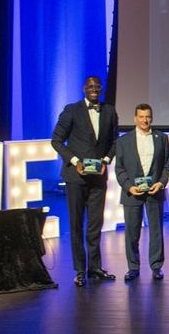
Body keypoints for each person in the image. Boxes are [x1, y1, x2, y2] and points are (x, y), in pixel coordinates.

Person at [51, 76, 119, 287]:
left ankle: (95, 267)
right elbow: (56, 140)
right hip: (76, 177)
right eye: (90, 86)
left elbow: (114, 141)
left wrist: (106, 160)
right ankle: (80, 270)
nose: (94, 89)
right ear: (84, 89)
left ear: (101, 89)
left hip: (98, 178)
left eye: (97, 87)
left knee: (95, 224)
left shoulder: (109, 111)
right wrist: (75, 161)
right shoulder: (71, 110)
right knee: (76, 224)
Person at [115, 103, 169, 281]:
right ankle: (133, 267)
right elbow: (119, 169)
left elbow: (166, 166)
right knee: (132, 232)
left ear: (151, 118)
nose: (145, 120)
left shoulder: (161, 138)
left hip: (154, 192)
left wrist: (161, 183)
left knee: (156, 231)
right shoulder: (123, 141)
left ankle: (156, 267)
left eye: (147, 116)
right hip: (132, 193)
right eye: (141, 116)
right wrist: (129, 186)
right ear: (135, 118)